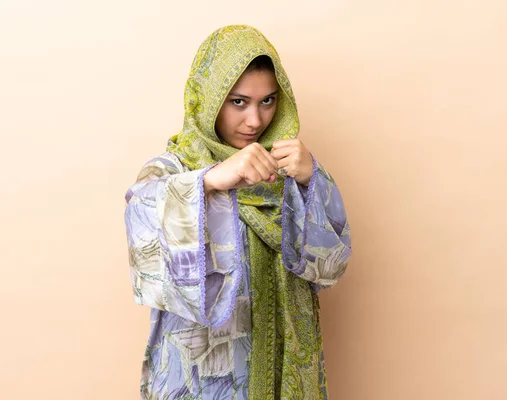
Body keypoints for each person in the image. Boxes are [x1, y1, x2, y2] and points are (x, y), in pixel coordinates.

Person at [124, 24, 352, 400]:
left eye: (268, 101)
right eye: (238, 102)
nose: (255, 121)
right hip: (204, 376)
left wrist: (313, 179)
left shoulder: (287, 170)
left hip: (284, 362)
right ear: (209, 99)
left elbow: (329, 267)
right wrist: (211, 181)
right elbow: (142, 230)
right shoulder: (175, 168)